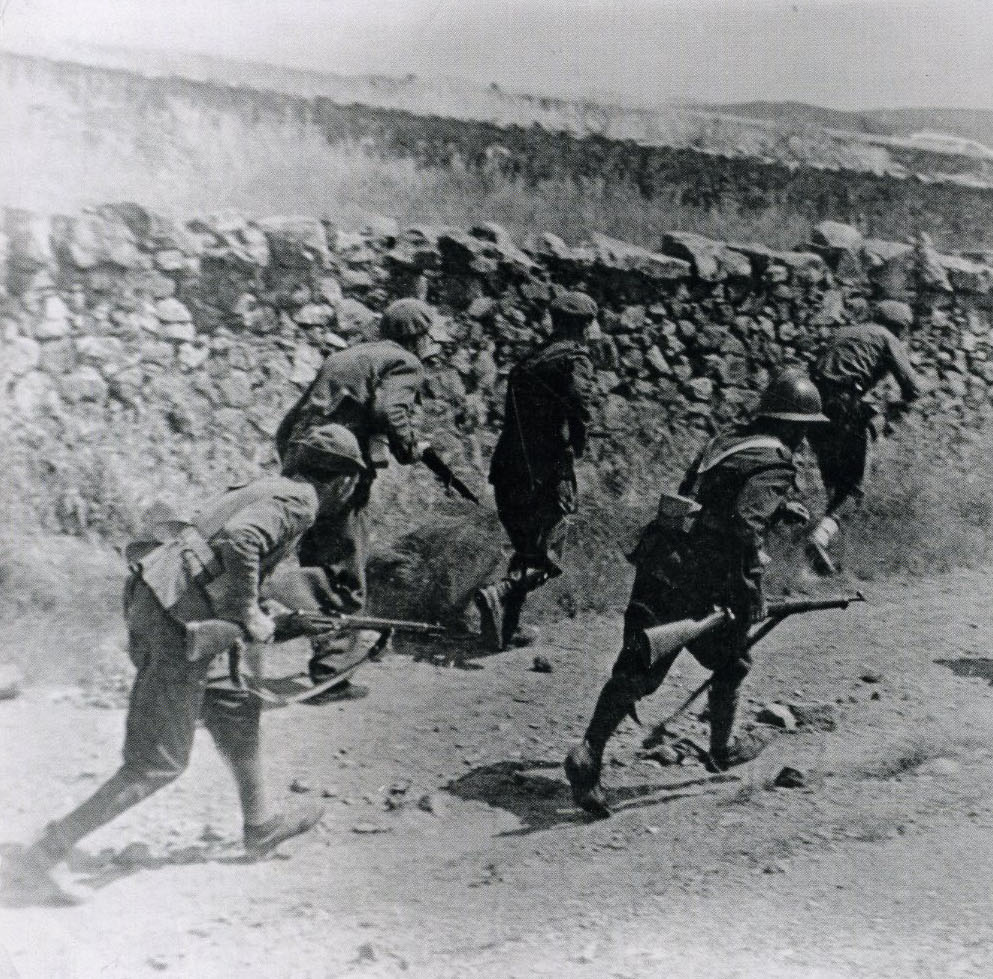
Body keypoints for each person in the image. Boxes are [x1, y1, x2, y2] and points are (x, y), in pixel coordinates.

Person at [1, 425, 366, 907]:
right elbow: (242, 541)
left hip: (165, 604)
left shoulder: (268, 488)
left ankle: (260, 826)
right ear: (344, 481)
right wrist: (249, 612)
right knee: (157, 763)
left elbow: (216, 557)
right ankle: (42, 856)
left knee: (234, 704)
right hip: (176, 623)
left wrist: (275, 613)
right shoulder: (302, 503)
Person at [564, 369, 826, 818]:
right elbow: (745, 526)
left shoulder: (729, 441)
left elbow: (710, 495)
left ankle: (589, 751)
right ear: (791, 425)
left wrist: (779, 506)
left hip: (663, 559)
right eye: (802, 428)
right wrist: (750, 591)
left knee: (639, 666)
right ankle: (722, 750)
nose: (804, 439)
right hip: (704, 580)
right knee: (732, 662)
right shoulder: (775, 464)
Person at [275, 298, 468, 701]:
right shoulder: (404, 362)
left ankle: (316, 637)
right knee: (345, 562)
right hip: (341, 467)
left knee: (317, 556)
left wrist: (296, 464)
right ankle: (332, 673)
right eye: (430, 338)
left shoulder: (347, 356)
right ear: (419, 336)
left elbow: (290, 421)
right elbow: (388, 411)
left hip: (303, 458)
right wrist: (410, 446)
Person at [474, 291, 600, 652]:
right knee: (547, 556)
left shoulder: (528, 361)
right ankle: (499, 593)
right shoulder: (573, 358)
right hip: (546, 472)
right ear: (585, 326)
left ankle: (507, 629)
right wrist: (579, 439)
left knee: (526, 549)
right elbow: (579, 400)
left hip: (508, 468)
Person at [804, 299, 925, 574]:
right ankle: (819, 538)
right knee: (853, 488)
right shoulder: (887, 338)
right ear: (901, 327)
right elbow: (913, 389)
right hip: (845, 405)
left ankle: (821, 558)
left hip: (812, 405)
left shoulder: (845, 332)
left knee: (833, 479)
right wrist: (893, 410)